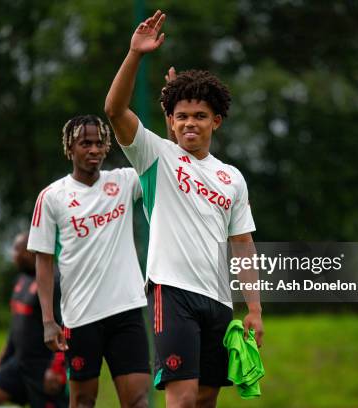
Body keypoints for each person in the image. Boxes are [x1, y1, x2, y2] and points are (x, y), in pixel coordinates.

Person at [104, 10, 263, 408]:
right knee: (183, 398)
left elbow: (242, 245)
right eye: (182, 117)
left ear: (217, 122)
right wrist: (135, 55)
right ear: (171, 123)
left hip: (219, 302)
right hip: (172, 291)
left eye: (200, 116)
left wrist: (255, 310)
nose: (190, 123)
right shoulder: (156, 157)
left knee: (207, 399)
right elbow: (114, 110)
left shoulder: (232, 178)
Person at [27, 115, 150, 408]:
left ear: (107, 146)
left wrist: (172, 112)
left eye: (98, 143)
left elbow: (160, 157)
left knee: (138, 402)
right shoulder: (51, 197)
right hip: (81, 318)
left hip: (127, 311)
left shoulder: (123, 181)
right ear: (70, 147)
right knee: (82, 402)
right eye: (85, 143)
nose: (93, 149)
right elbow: (43, 261)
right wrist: (48, 320)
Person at [0, 232, 68, 408]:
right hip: (18, 363)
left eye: (17, 250)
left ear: (31, 252)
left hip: (42, 367)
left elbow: (65, 327)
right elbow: (18, 321)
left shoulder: (54, 282)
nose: (13, 255)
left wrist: (56, 368)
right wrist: (7, 349)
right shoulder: (21, 279)